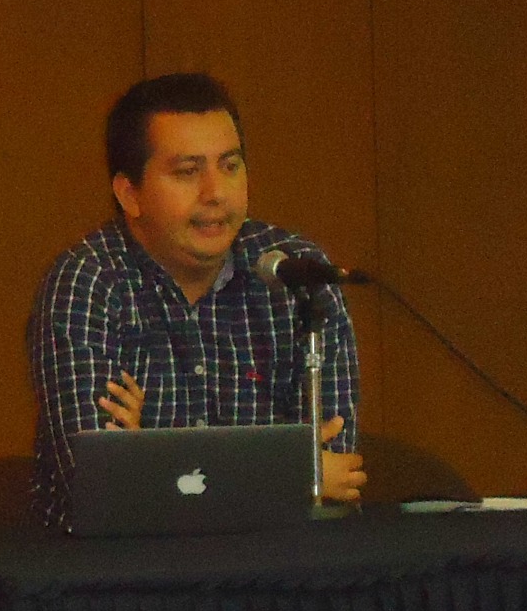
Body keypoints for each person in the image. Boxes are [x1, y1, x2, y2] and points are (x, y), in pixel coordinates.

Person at [26, 72, 366, 527]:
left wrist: (155, 463)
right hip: (122, 569)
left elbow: (336, 476)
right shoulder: (89, 284)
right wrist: (288, 475)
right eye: (188, 172)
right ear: (130, 194)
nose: (215, 193)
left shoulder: (296, 275)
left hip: (275, 564)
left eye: (230, 166)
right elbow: (101, 487)